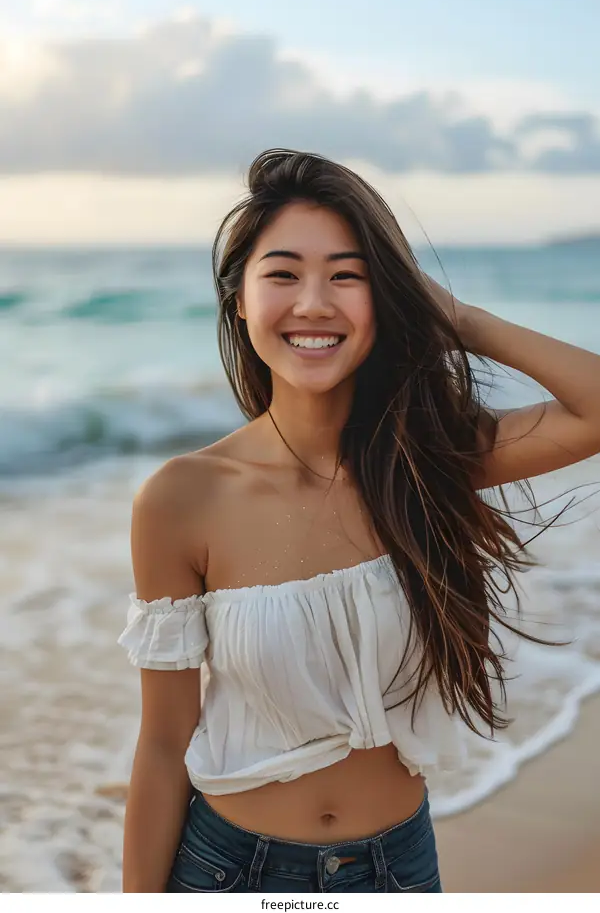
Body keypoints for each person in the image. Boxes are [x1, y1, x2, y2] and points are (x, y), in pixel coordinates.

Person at [117, 148, 600, 893]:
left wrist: (462, 319)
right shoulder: (182, 498)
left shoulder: (429, 463)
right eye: (282, 274)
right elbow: (161, 743)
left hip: (397, 870)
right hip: (229, 872)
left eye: (349, 275)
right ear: (239, 300)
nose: (314, 303)